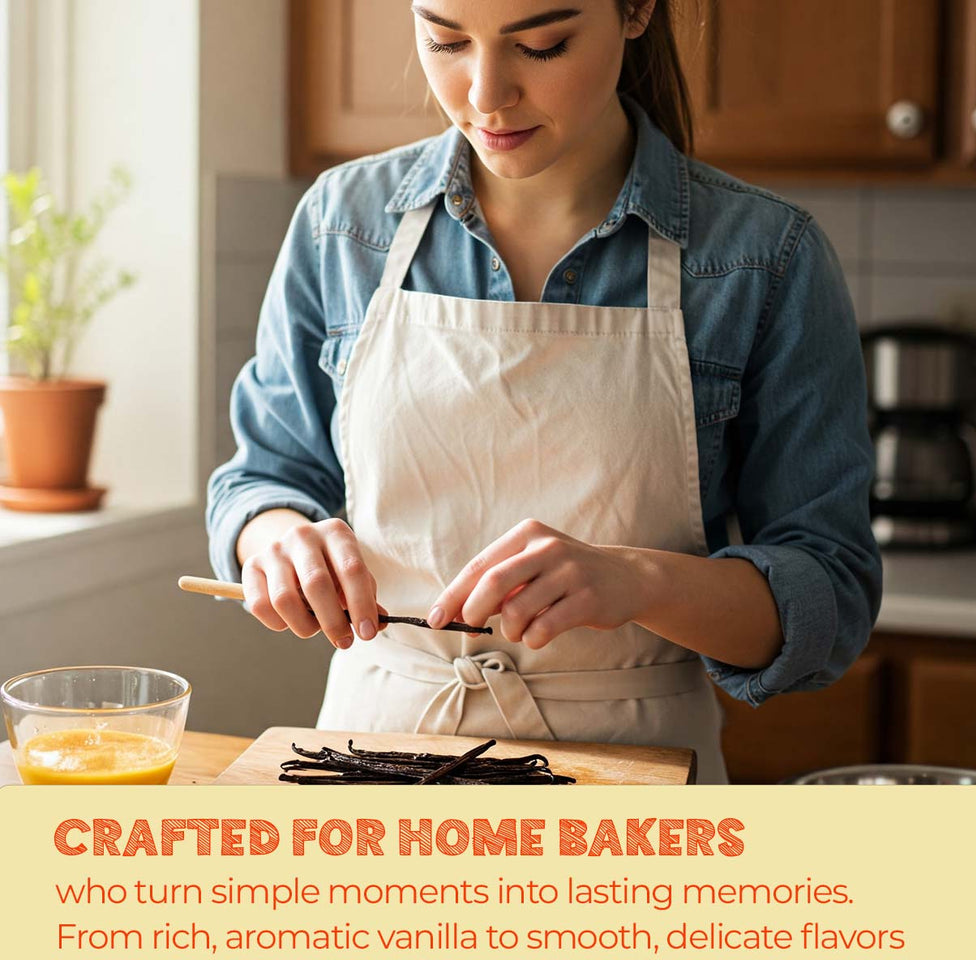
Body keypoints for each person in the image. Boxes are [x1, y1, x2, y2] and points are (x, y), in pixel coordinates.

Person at [206, 0, 883, 783]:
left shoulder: (762, 258)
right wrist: (276, 535)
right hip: (372, 762)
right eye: (446, 41)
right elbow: (263, 478)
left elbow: (829, 597)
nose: (487, 94)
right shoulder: (341, 224)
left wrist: (639, 581)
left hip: (634, 783)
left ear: (635, 13)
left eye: (542, 45)